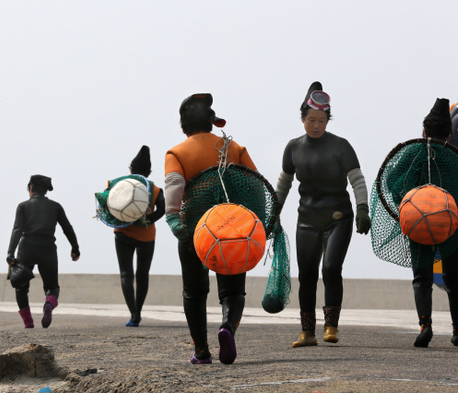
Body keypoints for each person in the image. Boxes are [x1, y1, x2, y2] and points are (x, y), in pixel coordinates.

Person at [275, 82, 371, 348]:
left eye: (321, 120)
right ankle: (307, 332)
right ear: (303, 119)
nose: (316, 125)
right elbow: (283, 185)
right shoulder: (293, 147)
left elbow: (358, 181)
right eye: (311, 120)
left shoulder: (341, 146)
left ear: (328, 120)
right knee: (306, 275)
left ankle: (331, 327)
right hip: (306, 220)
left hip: (338, 218)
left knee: (330, 269)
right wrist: (273, 213)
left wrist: (362, 207)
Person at [165, 93, 257, 364]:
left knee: (193, 291)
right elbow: (254, 185)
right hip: (233, 229)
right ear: (212, 123)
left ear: (184, 128)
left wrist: (173, 219)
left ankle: (201, 350)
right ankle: (226, 327)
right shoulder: (234, 148)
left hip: (195, 229)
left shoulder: (177, 153)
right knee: (233, 291)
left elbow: (173, 186)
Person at [387, 98, 458, 347]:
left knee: (422, 277)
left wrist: (408, 205)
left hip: (419, 225)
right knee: (453, 278)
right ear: (449, 135)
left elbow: (392, 182)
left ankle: (425, 326)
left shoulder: (413, 154)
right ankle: (457, 329)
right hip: (449, 226)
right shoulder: (453, 158)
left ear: (424, 131)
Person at [7, 175, 80, 329]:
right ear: (46, 190)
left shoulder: (23, 206)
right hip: (48, 249)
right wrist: (75, 248)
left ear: (31, 187)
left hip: (27, 248)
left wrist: (10, 253)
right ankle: (48, 304)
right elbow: (67, 228)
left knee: (21, 287)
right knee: (52, 286)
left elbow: (17, 230)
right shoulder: (55, 207)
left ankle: (28, 322)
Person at [113, 146, 165, 327]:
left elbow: (107, 203)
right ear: (149, 172)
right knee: (142, 275)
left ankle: (134, 314)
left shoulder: (121, 185)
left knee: (126, 274)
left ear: (131, 170)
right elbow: (163, 209)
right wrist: (148, 221)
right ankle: (139, 311)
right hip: (146, 237)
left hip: (123, 234)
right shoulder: (155, 189)